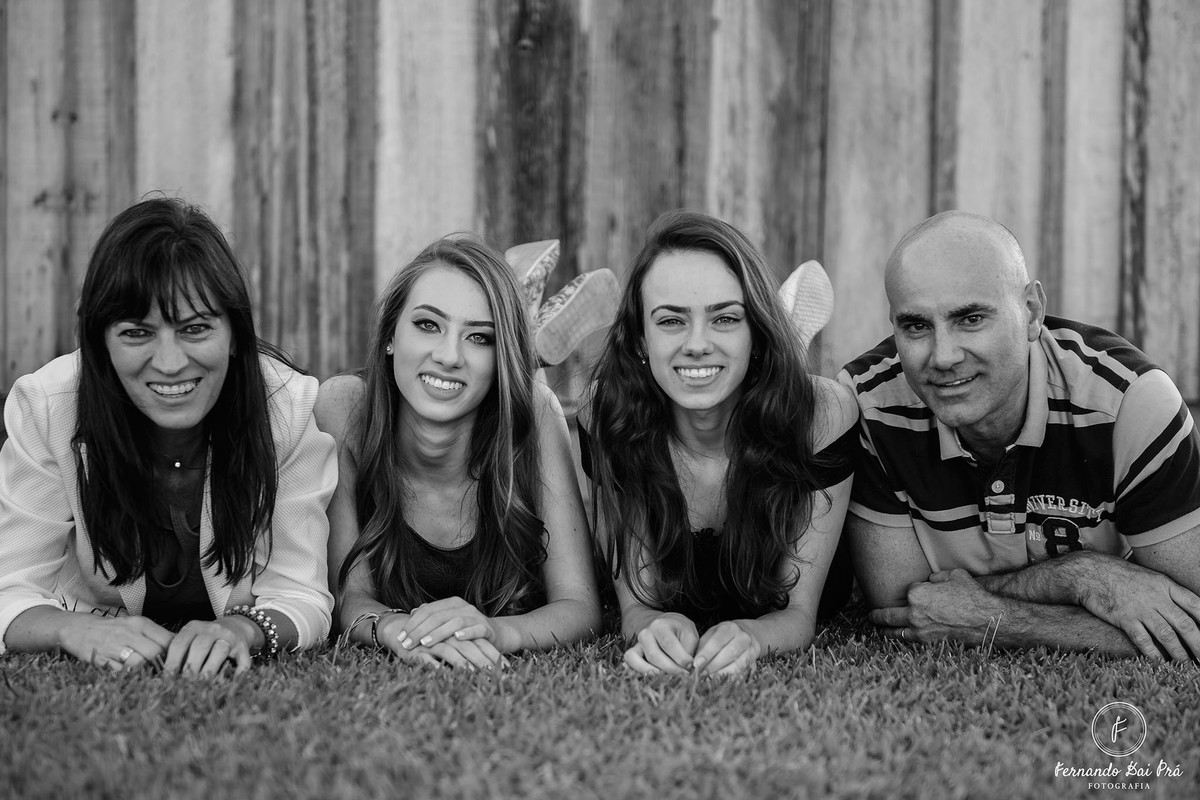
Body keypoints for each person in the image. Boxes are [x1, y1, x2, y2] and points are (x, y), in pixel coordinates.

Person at [839, 210, 1200, 660]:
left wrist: (993, 618)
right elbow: (906, 607)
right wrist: (1082, 578)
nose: (943, 356)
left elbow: (1190, 621)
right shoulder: (868, 405)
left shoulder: (1129, 402)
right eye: (916, 326)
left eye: (970, 319)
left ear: (1031, 311)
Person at [0, 198, 337, 675]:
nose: (171, 362)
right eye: (137, 333)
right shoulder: (48, 406)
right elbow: (11, 587)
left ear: (235, 334)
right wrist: (70, 629)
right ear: (99, 341)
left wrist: (243, 629)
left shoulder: (286, 407)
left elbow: (302, 593)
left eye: (196, 328)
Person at [583, 210, 858, 677]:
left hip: (781, 414)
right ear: (641, 339)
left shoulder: (823, 415)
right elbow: (638, 605)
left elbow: (797, 614)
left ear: (756, 332)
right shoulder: (608, 412)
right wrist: (653, 624)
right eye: (671, 320)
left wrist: (754, 635)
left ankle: (783, 348)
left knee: (785, 396)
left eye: (725, 318)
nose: (696, 343)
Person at [317, 236, 599, 670]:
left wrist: (495, 631)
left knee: (527, 393)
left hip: (514, 399)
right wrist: (395, 628)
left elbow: (579, 605)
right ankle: (525, 322)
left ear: (499, 356)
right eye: (428, 324)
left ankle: (524, 334)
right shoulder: (345, 409)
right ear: (390, 334)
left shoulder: (537, 414)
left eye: (480, 337)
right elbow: (349, 596)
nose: (449, 356)